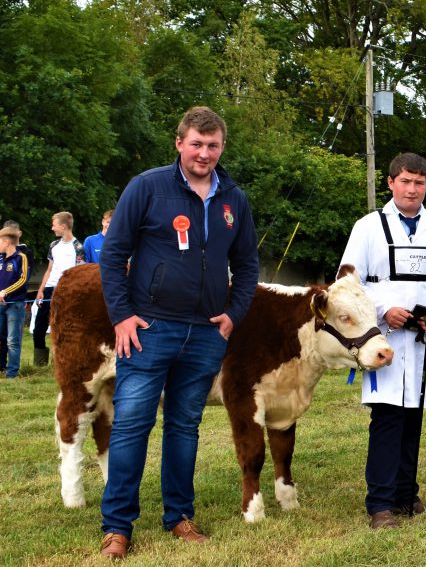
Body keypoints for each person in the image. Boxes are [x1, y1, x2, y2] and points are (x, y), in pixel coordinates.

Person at [97, 106, 259, 559]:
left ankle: (179, 517)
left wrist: (233, 315)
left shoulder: (233, 199)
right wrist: (122, 316)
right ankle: (117, 526)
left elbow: (247, 265)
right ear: (179, 143)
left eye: (213, 146)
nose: (204, 153)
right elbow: (113, 256)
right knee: (131, 425)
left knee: (185, 427)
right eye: (196, 144)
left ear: (222, 147)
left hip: (206, 332)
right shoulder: (148, 187)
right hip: (149, 328)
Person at [338, 153, 426, 530]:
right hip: (386, 337)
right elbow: (348, 281)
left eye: (420, 183)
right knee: (388, 416)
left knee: (413, 416)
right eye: (406, 181)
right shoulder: (368, 227)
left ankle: (406, 494)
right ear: (391, 183)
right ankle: (380, 503)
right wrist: (384, 309)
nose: (412, 189)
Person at [33, 212, 85, 366]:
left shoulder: (78, 247)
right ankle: (39, 363)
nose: (52, 228)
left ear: (63, 226)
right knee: (39, 327)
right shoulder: (53, 245)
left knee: (63, 328)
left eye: (54, 225)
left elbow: (79, 273)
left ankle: (61, 361)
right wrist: (41, 290)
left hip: (66, 291)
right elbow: (49, 270)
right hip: (49, 289)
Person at [0, 220, 32, 376]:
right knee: (1, 338)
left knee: (12, 340)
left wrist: (5, 291)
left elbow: (23, 279)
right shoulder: (1, 259)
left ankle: (12, 372)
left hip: (15, 305)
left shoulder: (21, 258)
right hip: (0, 305)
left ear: (6, 242)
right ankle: (1, 367)